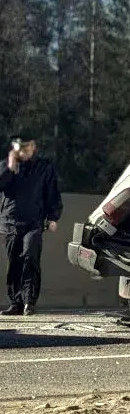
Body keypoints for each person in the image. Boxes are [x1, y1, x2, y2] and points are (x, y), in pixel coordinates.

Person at [0, 134, 63, 316]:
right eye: (20, 147)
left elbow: (52, 193)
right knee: (14, 263)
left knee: (30, 257)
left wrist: (53, 217)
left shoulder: (44, 168)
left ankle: (29, 302)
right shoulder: (7, 166)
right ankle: (16, 303)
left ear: (33, 146)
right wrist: (10, 167)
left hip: (34, 222)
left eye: (27, 147)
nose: (24, 151)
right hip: (10, 222)